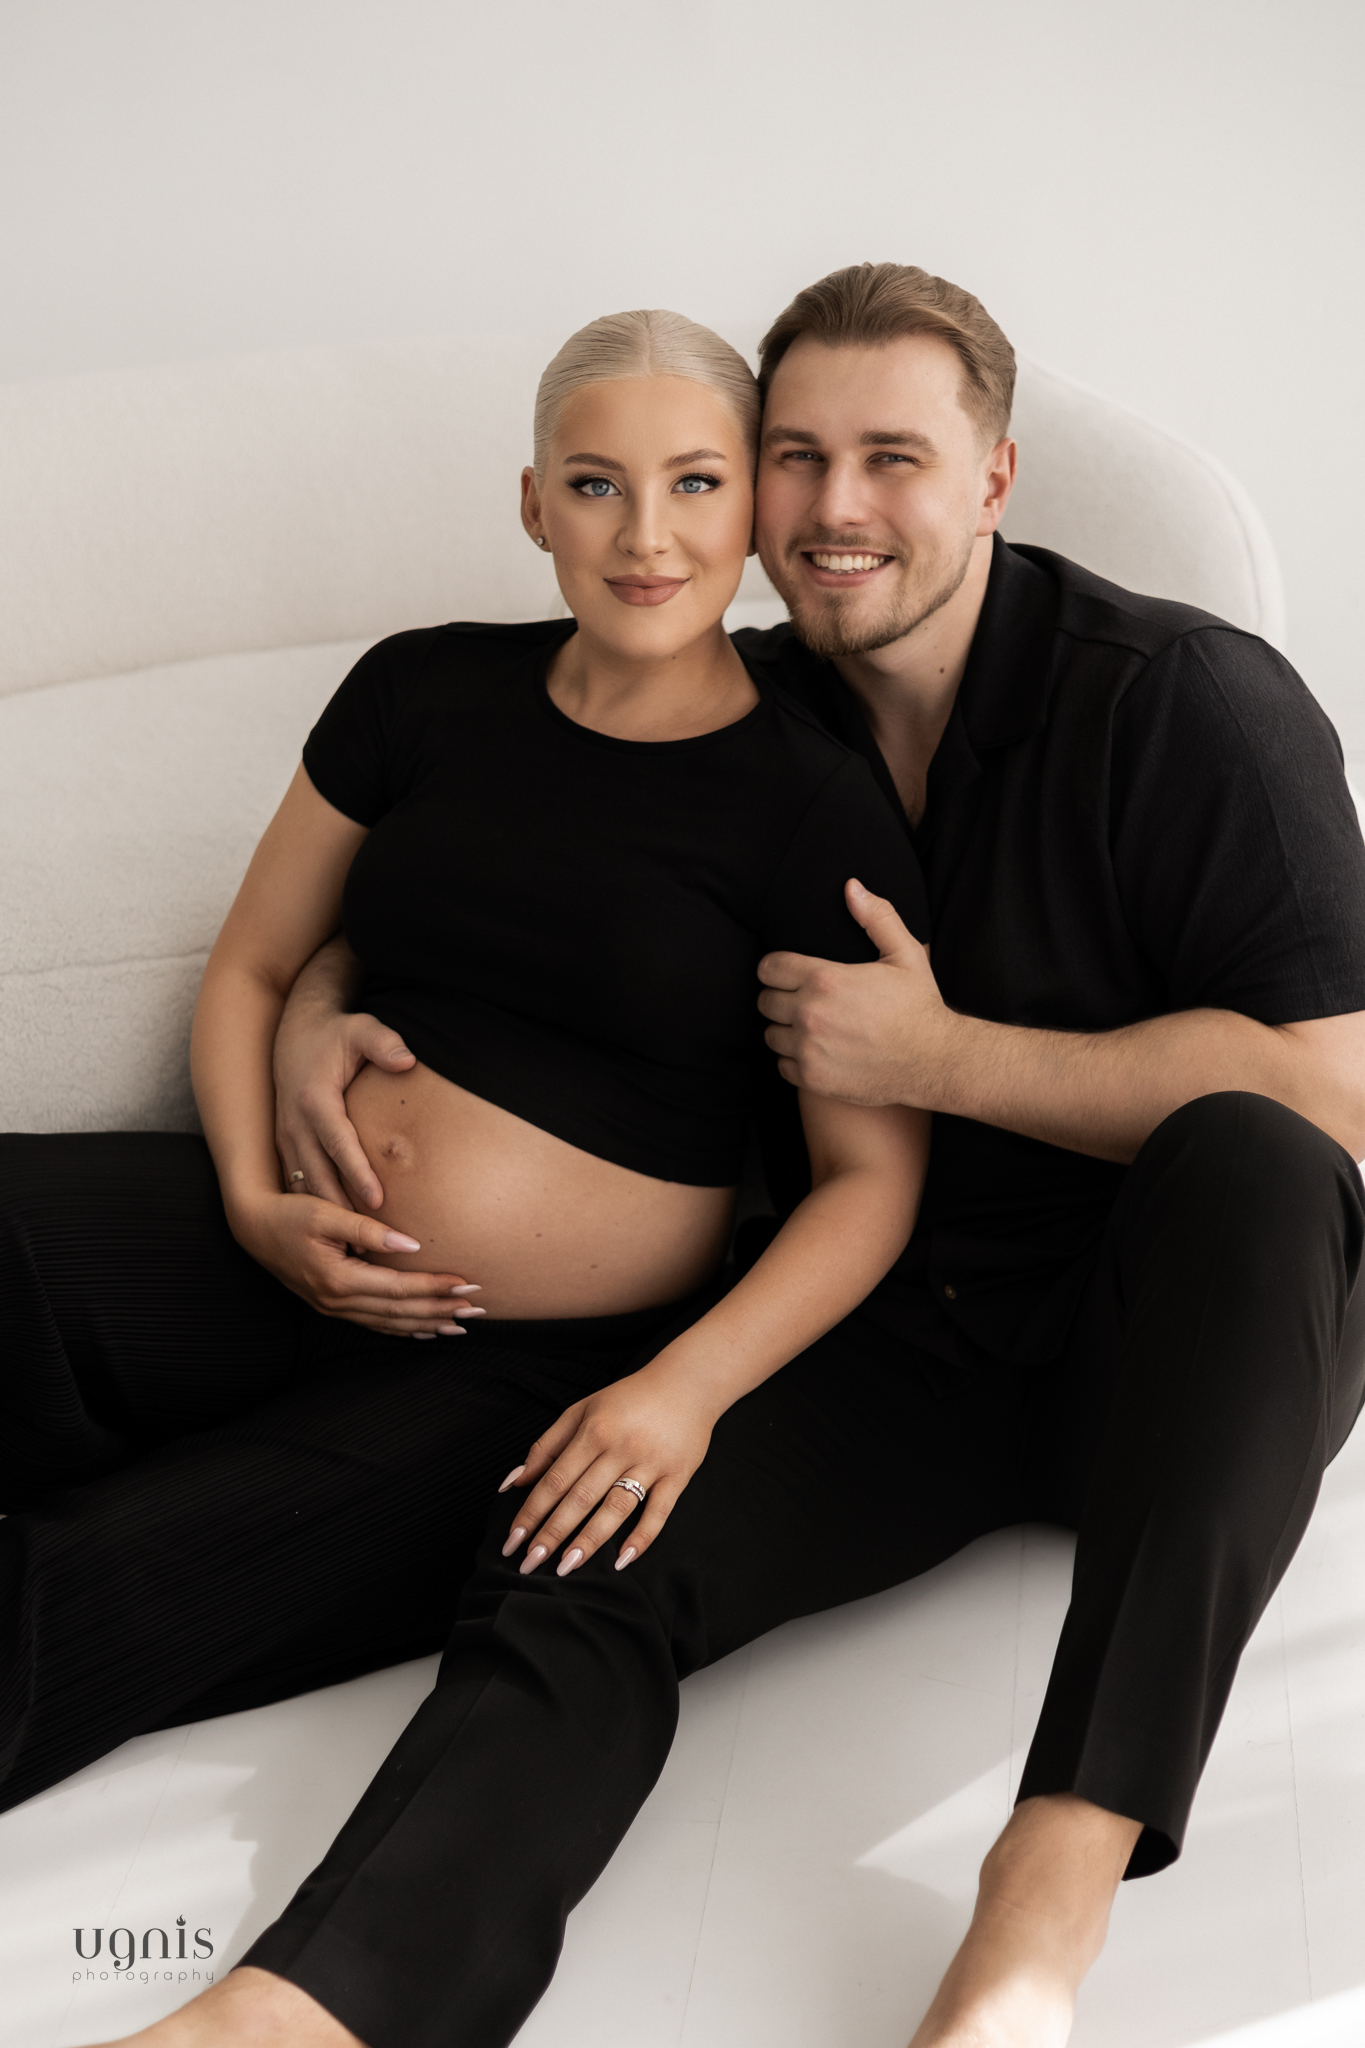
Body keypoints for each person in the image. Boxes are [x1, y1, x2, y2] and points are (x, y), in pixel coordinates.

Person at [262, 265, 1365, 2048]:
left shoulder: (1183, 700)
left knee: (1252, 1159)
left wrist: (944, 1059)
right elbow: (477, 889)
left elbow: (1335, 1103)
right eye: (795, 455)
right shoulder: (741, 706)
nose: (835, 508)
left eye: (892, 458)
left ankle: (1038, 1914)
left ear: (994, 477)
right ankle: (313, 2007)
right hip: (900, 1336)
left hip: (1174, 1343)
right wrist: (318, 1001)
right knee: (581, 1530)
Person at [0, 313, 933, 2041]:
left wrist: (677, 1394)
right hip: (275, 1241)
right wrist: (254, 1191)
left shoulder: (812, 806)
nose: (643, 536)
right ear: (529, 503)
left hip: (519, 1367)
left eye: (693, 485)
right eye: (595, 485)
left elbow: (865, 1183)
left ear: (749, 509)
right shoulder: (421, 689)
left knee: (104, 1574)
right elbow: (254, 967)